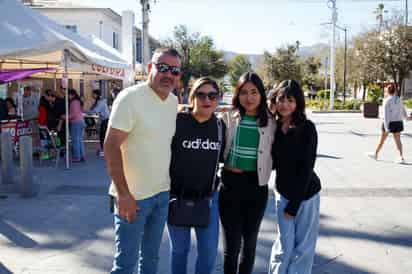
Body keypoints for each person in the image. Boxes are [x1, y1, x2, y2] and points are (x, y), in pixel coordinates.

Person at [104, 47, 182, 274]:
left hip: (161, 194)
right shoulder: (130, 98)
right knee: (125, 265)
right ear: (150, 68)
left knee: (150, 260)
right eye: (163, 67)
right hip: (133, 198)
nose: (169, 75)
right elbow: (110, 146)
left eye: (175, 71)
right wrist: (124, 194)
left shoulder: (172, 102)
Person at [219, 72, 275, 274]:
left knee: (249, 245)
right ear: (237, 94)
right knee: (231, 248)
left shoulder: (271, 122)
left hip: (256, 187)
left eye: (254, 92)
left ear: (261, 94)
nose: (249, 97)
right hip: (230, 186)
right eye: (243, 92)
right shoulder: (227, 117)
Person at [168, 77, 225, 274]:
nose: (206, 100)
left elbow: (224, 158)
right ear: (192, 97)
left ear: (218, 99)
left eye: (212, 95)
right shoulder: (177, 122)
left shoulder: (219, 127)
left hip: (208, 199)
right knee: (179, 251)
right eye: (201, 95)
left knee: (208, 252)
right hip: (177, 197)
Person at [269, 80, 321, 274]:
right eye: (281, 99)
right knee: (283, 245)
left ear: (298, 102)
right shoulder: (272, 127)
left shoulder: (307, 128)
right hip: (283, 192)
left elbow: (307, 168)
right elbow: (272, 163)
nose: (285, 104)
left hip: (306, 195)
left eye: (290, 100)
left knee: (303, 248)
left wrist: (294, 204)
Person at [369, 84, 412, 164]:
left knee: (382, 140)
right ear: (395, 91)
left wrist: (386, 127)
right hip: (398, 122)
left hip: (389, 123)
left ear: (387, 91)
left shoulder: (386, 100)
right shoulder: (399, 99)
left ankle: (375, 154)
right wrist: (407, 118)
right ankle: (401, 157)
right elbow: (403, 110)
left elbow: (386, 115)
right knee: (398, 140)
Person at [87, 89, 110, 157]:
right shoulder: (100, 101)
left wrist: (86, 111)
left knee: (102, 136)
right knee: (102, 135)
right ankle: (104, 150)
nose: (92, 95)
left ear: (96, 94)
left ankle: (104, 150)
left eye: (93, 94)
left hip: (106, 120)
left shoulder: (100, 102)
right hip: (105, 120)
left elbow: (95, 111)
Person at [67, 89, 85, 163]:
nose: (68, 96)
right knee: (80, 140)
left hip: (76, 122)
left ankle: (77, 157)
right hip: (80, 121)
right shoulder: (78, 101)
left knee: (75, 140)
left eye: (69, 95)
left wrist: (66, 117)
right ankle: (82, 156)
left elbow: (74, 114)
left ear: (72, 95)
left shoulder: (74, 102)